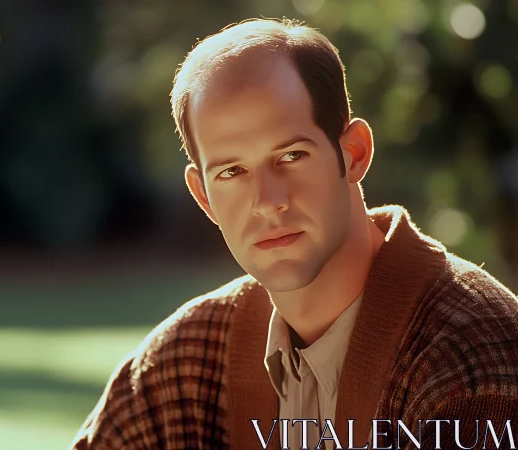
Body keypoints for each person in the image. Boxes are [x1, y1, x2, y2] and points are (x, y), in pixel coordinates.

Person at [70, 18, 518, 450]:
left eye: (291, 156)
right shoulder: (184, 364)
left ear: (354, 154)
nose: (267, 200)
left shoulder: (475, 359)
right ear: (203, 196)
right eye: (232, 171)